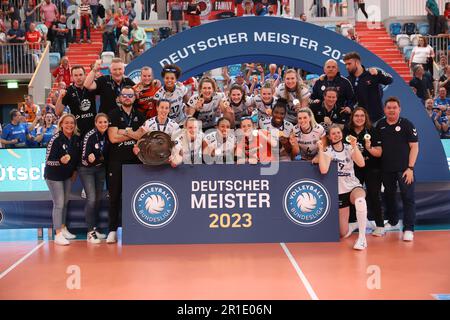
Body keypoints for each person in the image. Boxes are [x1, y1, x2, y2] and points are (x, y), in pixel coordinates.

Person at [317, 125, 368, 250]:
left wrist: (355, 146)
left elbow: (361, 163)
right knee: (343, 233)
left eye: (338, 133)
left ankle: (362, 238)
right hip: (340, 191)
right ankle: (355, 224)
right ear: (329, 136)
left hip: (353, 187)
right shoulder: (328, 151)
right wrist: (320, 149)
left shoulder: (349, 148)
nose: (336, 135)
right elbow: (323, 170)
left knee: (360, 200)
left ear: (342, 134)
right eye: (333, 133)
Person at [376, 97, 419, 241]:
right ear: (385, 109)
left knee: (408, 198)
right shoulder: (380, 125)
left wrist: (410, 168)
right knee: (389, 196)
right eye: (389, 107)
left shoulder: (407, 124)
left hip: (404, 170)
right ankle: (393, 221)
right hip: (386, 169)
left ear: (399, 109)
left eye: (394, 107)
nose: (392, 110)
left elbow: (414, 147)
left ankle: (408, 228)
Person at [106, 86, 145, 243]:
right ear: (120, 98)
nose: (127, 97)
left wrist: (124, 131)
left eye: (130, 95)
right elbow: (113, 138)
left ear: (134, 97)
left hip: (135, 162)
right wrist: (132, 134)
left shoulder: (140, 115)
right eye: (124, 95)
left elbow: (142, 137)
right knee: (114, 196)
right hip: (116, 160)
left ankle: (134, 230)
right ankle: (112, 230)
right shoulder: (113, 114)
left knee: (134, 197)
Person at [343, 107, 384, 237]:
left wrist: (369, 148)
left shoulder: (372, 130)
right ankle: (353, 222)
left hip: (372, 168)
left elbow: (379, 153)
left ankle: (380, 225)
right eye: (356, 116)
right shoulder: (347, 131)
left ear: (366, 117)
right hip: (354, 169)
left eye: (362, 116)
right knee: (353, 196)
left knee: (374, 195)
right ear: (352, 117)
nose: (359, 118)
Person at [44, 113, 81, 246]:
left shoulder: (76, 139)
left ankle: (63, 228)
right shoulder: (56, 139)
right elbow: (48, 161)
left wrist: (74, 171)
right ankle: (58, 233)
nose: (69, 125)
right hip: (53, 176)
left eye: (72, 123)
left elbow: (76, 159)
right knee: (59, 203)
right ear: (61, 124)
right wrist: (60, 161)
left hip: (67, 176)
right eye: (66, 123)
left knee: (65, 202)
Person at [79, 113, 110, 244]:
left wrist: (98, 159)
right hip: (87, 170)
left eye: (105, 122)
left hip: (100, 170)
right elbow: (84, 159)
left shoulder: (108, 134)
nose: (103, 124)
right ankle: (90, 232)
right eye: (100, 122)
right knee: (91, 199)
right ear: (95, 123)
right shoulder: (90, 135)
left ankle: (95, 228)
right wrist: (90, 159)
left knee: (97, 200)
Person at [344, 52, 393, 123]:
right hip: (360, 121)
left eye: (349, 64)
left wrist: (379, 73)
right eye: (346, 64)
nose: (347, 67)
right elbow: (352, 99)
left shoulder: (371, 74)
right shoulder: (348, 80)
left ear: (357, 62)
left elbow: (390, 80)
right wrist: (350, 107)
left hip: (377, 119)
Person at [133, 99, 182, 167]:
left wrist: (175, 155)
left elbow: (178, 143)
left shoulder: (174, 125)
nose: (164, 110)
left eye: (166, 108)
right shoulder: (148, 123)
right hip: (150, 160)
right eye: (162, 107)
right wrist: (137, 148)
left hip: (167, 161)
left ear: (169, 110)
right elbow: (141, 139)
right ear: (157, 108)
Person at [56, 65, 97, 138]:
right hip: (77, 131)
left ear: (85, 75)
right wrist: (60, 97)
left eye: (81, 75)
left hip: (93, 129)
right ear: (72, 77)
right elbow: (58, 112)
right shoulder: (69, 91)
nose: (78, 77)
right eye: (76, 75)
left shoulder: (91, 87)